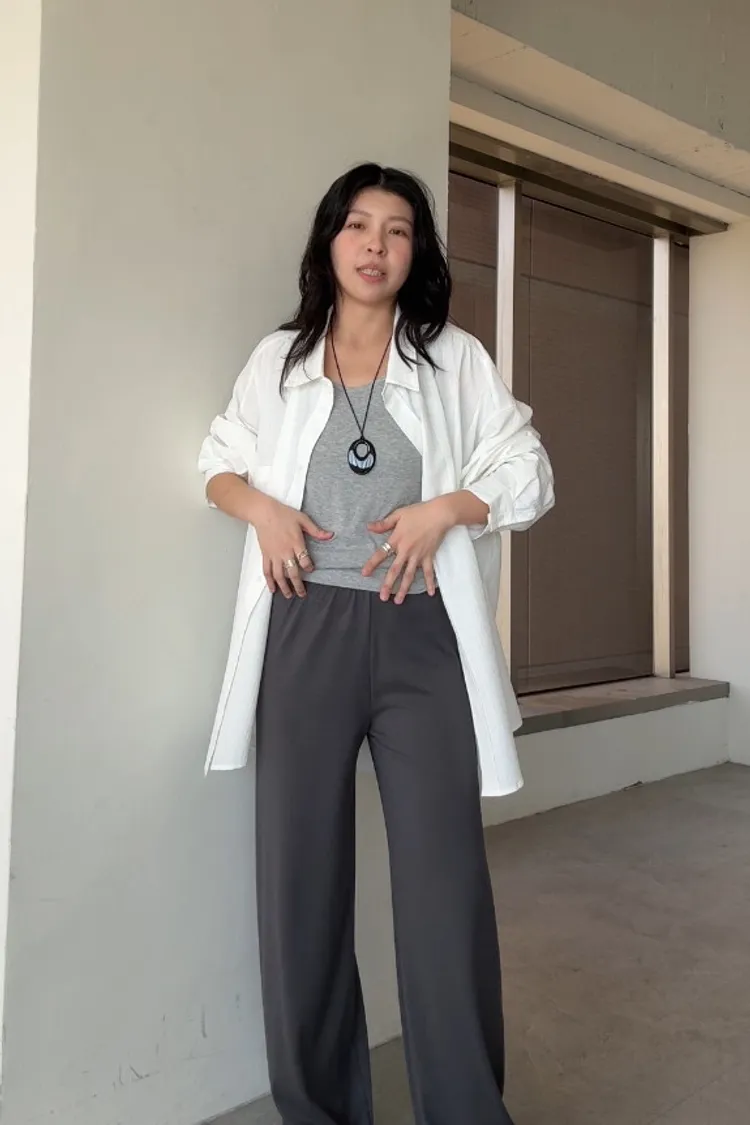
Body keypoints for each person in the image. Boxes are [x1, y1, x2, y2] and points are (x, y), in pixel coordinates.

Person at [198, 163, 554, 1125]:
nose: (375, 245)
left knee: (445, 890)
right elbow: (217, 460)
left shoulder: (454, 361)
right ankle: (318, 1110)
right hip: (304, 629)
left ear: (415, 252)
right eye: (358, 225)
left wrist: (448, 507)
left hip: (422, 639)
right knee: (300, 887)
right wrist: (262, 510)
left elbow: (528, 468)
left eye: (397, 230)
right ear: (329, 241)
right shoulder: (278, 361)